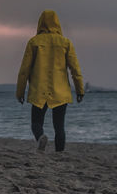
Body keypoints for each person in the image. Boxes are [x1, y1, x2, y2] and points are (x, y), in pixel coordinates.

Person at [15, 9, 84, 153]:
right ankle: (59, 153)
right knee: (59, 126)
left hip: (39, 90)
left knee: (36, 122)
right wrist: (80, 90)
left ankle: (40, 137)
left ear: (40, 23)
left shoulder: (34, 42)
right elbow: (75, 69)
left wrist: (20, 92)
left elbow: (24, 70)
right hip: (60, 91)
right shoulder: (65, 43)